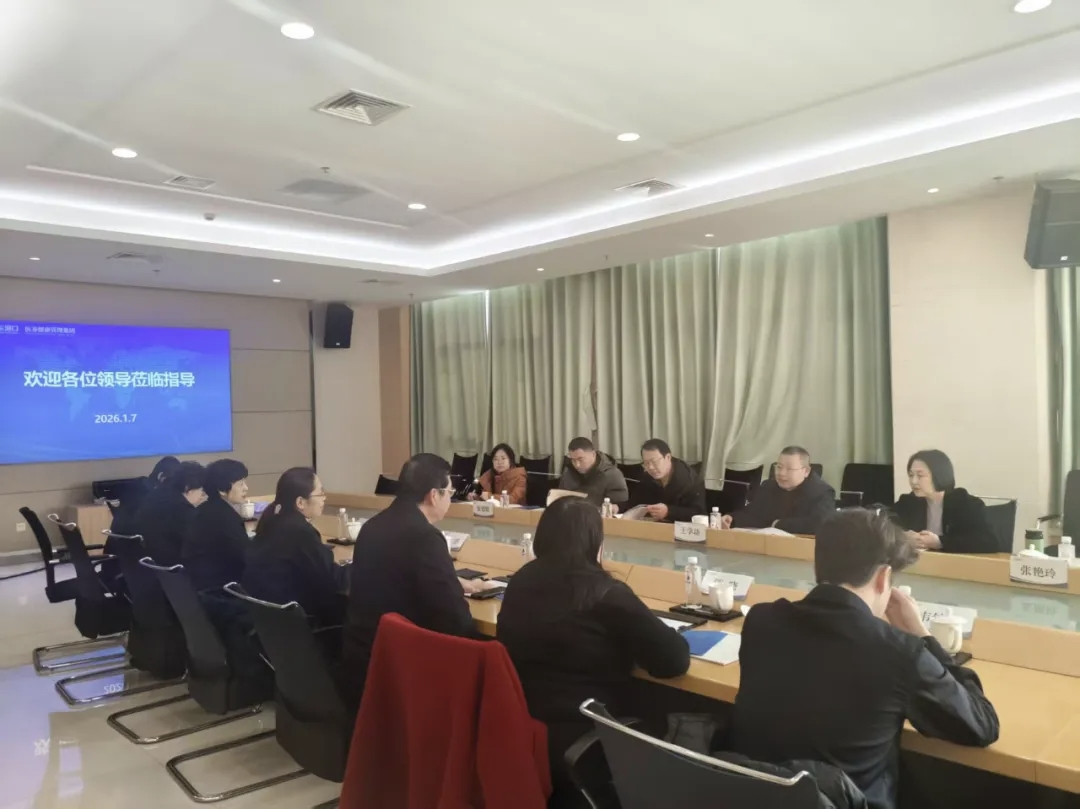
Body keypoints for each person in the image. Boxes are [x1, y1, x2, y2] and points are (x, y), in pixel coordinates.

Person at [731, 509, 999, 809]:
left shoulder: (761, 620)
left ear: (818, 566)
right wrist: (923, 636)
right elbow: (982, 725)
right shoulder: (899, 652)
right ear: (884, 578)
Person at [497, 497, 691, 809]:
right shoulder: (604, 592)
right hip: (586, 733)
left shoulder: (520, 581)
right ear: (595, 542)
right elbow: (673, 661)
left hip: (523, 727)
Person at [341, 453, 497, 711]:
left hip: (364, 657)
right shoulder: (425, 537)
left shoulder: (372, 527)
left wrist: (451, 581)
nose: (450, 499)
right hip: (406, 667)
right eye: (450, 492)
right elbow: (456, 620)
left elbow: (397, 577)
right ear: (433, 495)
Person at [242, 467, 348, 628]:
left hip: (266, 622)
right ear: (300, 502)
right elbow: (331, 579)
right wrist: (360, 567)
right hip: (295, 622)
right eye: (320, 493)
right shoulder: (300, 531)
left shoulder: (271, 522)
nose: (324, 498)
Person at [891, 450, 996, 554]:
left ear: (939, 475)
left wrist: (939, 542)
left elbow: (988, 542)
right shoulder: (908, 502)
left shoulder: (965, 503)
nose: (913, 481)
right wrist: (902, 537)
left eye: (920, 476)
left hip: (954, 562)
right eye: (911, 475)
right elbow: (885, 527)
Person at [722, 446, 834, 534]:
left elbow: (820, 524)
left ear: (806, 472)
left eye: (789, 469)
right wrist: (732, 519)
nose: (781, 473)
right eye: (779, 467)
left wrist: (778, 524)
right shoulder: (768, 486)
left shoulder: (821, 493)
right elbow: (753, 514)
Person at [183, 458, 250, 592]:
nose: (246, 488)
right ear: (222, 489)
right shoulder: (224, 518)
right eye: (240, 484)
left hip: (200, 589)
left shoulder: (204, 510)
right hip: (223, 592)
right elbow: (246, 557)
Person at [133, 461, 206, 567]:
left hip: (154, 564)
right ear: (188, 488)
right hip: (178, 566)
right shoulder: (182, 509)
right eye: (201, 490)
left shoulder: (153, 497)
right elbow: (198, 542)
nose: (202, 495)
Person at [623, 438, 707, 522]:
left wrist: (668, 512)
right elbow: (634, 503)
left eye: (654, 462)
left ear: (668, 457)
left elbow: (698, 513)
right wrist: (618, 507)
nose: (651, 467)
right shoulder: (648, 477)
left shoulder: (689, 479)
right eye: (646, 463)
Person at [109, 455, 180, 539]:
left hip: (119, 541)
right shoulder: (149, 495)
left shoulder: (137, 485)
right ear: (161, 476)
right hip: (134, 542)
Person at [556, 437, 628, 508]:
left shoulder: (612, 475)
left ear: (593, 454)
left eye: (581, 459)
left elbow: (620, 506)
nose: (577, 465)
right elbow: (561, 499)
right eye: (573, 460)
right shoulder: (569, 471)